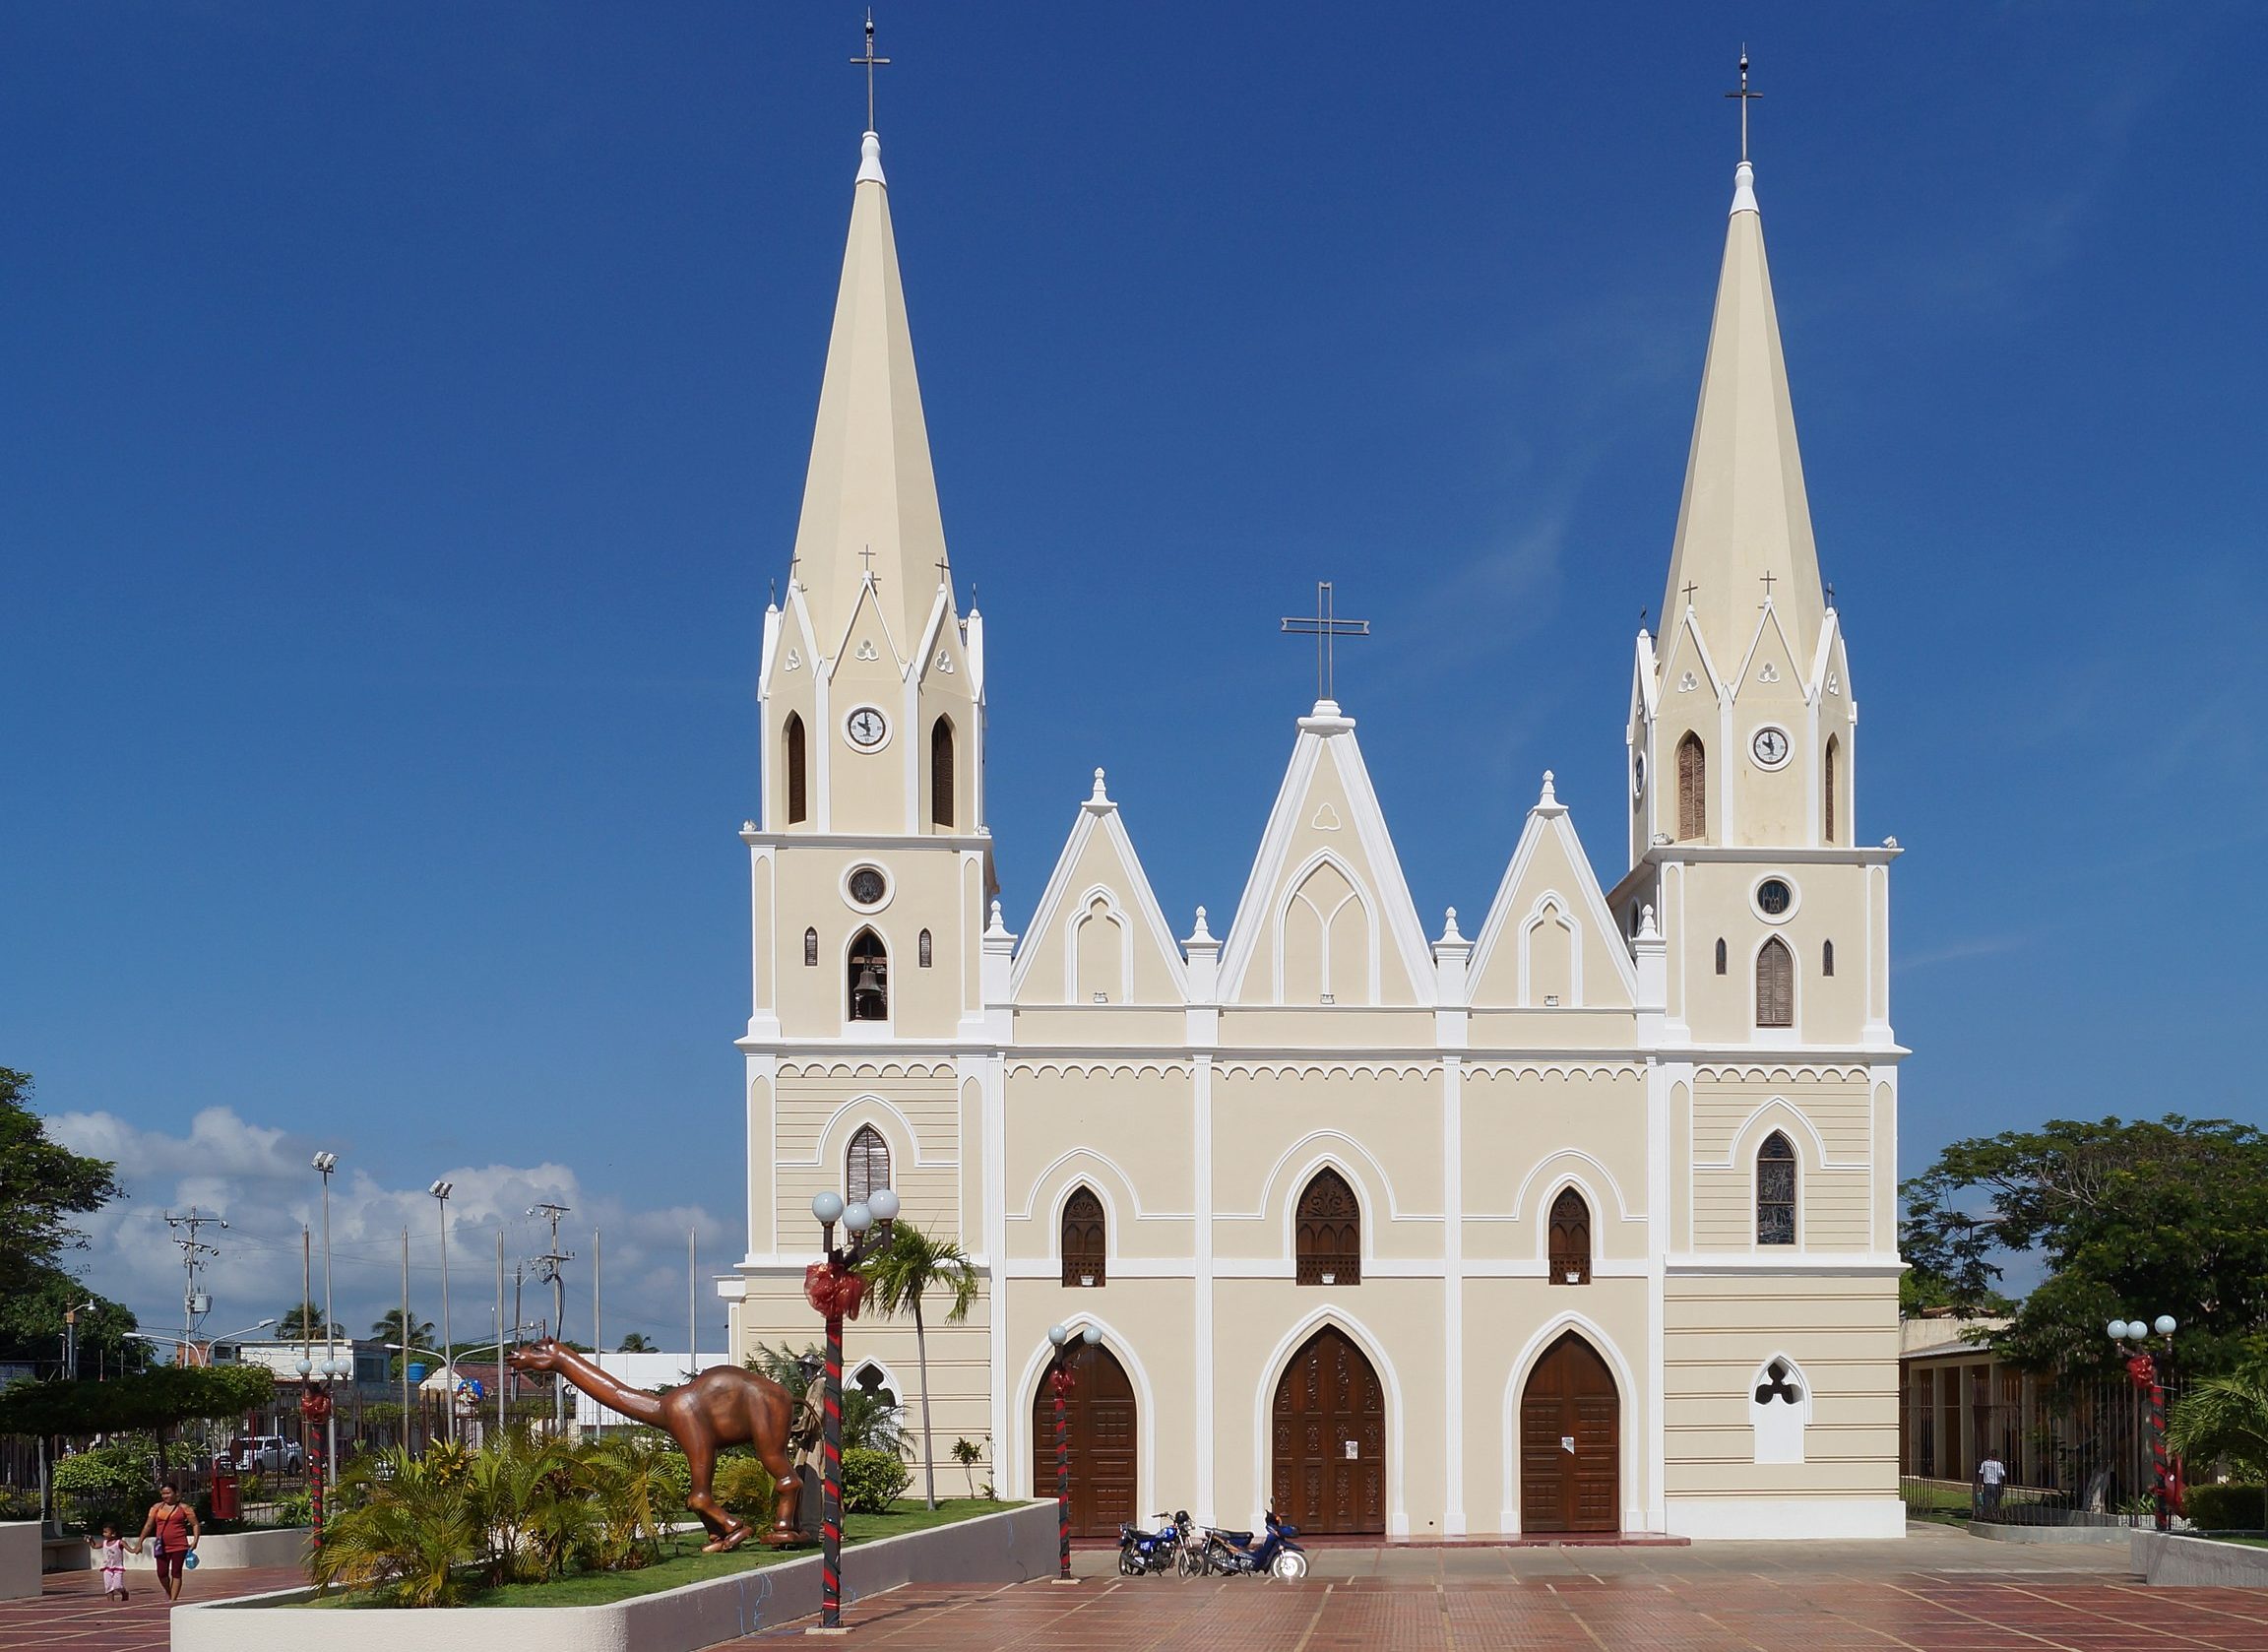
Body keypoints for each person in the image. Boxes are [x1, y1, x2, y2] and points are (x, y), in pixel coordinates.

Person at [131, 1481, 200, 1602]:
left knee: (176, 1572)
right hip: (161, 1545)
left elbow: (195, 1524)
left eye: (168, 1493)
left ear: (176, 1493)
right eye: (163, 1493)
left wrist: (195, 1540)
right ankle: (169, 1592)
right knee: (161, 1573)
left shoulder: (184, 1508)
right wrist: (139, 1543)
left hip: (179, 1545)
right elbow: (148, 1525)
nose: (165, 1496)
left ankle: (173, 1599)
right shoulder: (156, 1508)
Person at [92, 1521, 129, 1603]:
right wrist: (91, 1540)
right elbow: (95, 1546)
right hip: (107, 1568)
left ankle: (124, 1593)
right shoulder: (104, 1543)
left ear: (113, 1533)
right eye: (103, 1532)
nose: (103, 1534)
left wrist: (136, 1549)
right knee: (108, 1587)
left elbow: (130, 1549)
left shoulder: (119, 1542)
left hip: (117, 1568)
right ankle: (110, 1602)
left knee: (118, 1586)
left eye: (106, 1532)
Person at [1977, 1448, 2007, 1517]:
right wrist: (2002, 1488)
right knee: (1996, 1502)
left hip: (1987, 1485)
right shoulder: (1999, 1464)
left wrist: (1979, 1486)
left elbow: (1980, 1474)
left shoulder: (1984, 1463)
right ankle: (1995, 1515)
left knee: (1987, 1502)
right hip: (1996, 1485)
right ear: (1996, 1457)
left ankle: (1986, 1515)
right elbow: (2002, 1476)